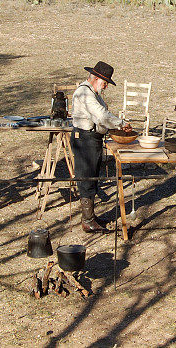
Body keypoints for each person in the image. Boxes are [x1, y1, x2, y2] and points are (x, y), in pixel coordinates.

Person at [70, 61, 131, 233]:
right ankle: (88, 221)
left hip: (92, 138)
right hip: (84, 139)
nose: (105, 87)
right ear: (96, 78)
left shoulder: (92, 93)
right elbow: (101, 115)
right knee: (86, 178)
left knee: (92, 177)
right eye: (104, 83)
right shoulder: (84, 93)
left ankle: (91, 217)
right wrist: (120, 123)